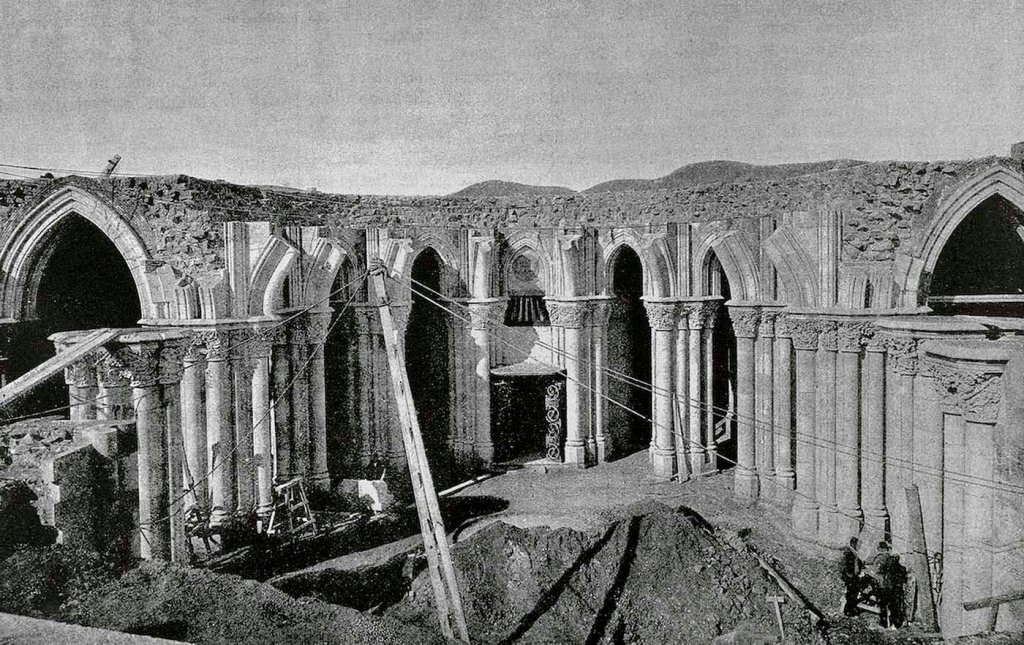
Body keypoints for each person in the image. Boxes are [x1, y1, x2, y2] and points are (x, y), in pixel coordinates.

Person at [870, 541, 904, 629]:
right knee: (892, 606)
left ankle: (883, 624)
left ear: (881, 548)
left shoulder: (881, 558)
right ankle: (894, 625)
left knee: (882, 605)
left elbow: (876, 570)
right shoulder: (892, 558)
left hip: (882, 585)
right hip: (891, 586)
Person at [838, 536, 863, 616]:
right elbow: (848, 565)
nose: (859, 546)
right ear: (854, 544)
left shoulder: (853, 552)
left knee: (853, 594)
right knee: (851, 595)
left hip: (853, 576)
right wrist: (850, 574)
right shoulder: (849, 552)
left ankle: (848, 611)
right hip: (851, 577)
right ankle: (848, 611)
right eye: (858, 544)